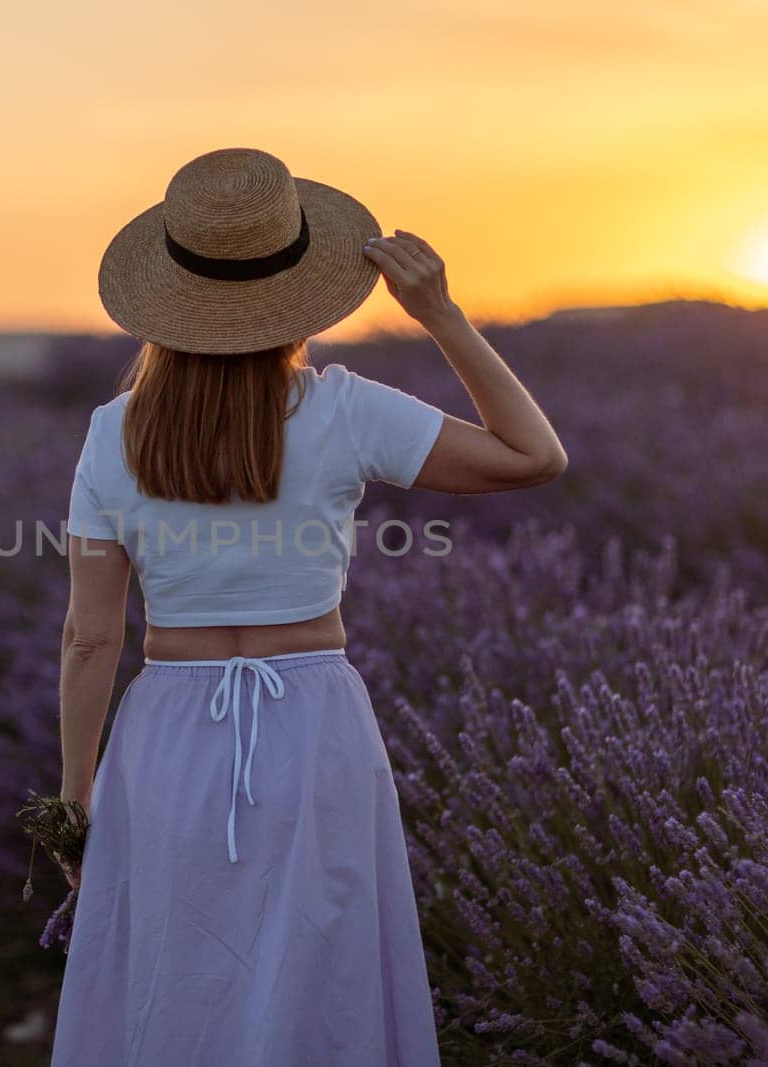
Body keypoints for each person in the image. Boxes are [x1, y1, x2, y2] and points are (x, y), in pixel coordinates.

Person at [49, 147, 567, 1066]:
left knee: (178, 977)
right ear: (298, 286)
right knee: (317, 978)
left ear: (170, 292)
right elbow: (533, 455)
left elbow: (91, 638)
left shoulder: (109, 432)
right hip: (313, 720)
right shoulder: (343, 408)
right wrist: (441, 314)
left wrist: (75, 798)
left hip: (166, 729)